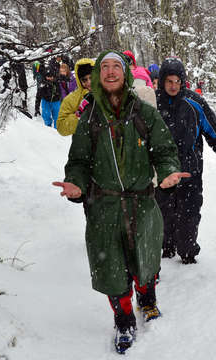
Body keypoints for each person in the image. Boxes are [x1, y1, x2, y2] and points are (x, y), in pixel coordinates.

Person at [52, 50, 189, 354]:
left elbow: (165, 150)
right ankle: (124, 319)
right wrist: (75, 183)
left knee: (146, 257)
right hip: (104, 206)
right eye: (105, 68)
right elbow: (78, 161)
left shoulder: (144, 113)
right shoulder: (88, 117)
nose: (111, 72)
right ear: (98, 76)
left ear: (125, 74)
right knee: (112, 267)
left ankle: (148, 300)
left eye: (116, 67)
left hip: (142, 201)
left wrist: (167, 173)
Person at [155, 57, 216, 264]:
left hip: (191, 172)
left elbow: (212, 132)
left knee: (189, 216)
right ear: (162, 81)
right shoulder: (152, 103)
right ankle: (166, 247)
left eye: (177, 81)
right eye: (169, 81)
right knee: (163, 214)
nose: (173, 86)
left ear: (183, 81)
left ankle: (188, 252)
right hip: (162, 174)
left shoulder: (194, 102)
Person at [56, 58, 95, 136]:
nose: (89, 82)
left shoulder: (107, 91)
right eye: (84, 80)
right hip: (85, 143)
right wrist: (80, 115)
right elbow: (61, 127)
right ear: (80, 81)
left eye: (91, 77)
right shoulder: (71, 99)